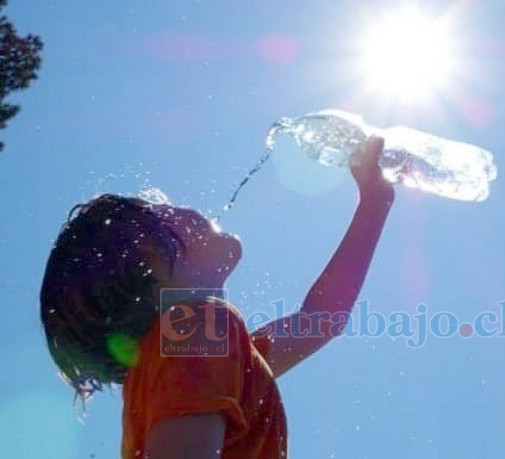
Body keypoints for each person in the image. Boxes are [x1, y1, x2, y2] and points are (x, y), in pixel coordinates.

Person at [40, 137, 394, 459]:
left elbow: (321, 319)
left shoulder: (194, 353)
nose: (176, 205)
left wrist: (375, 202)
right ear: (149, 260)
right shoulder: (196, 332)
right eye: (160, 209)